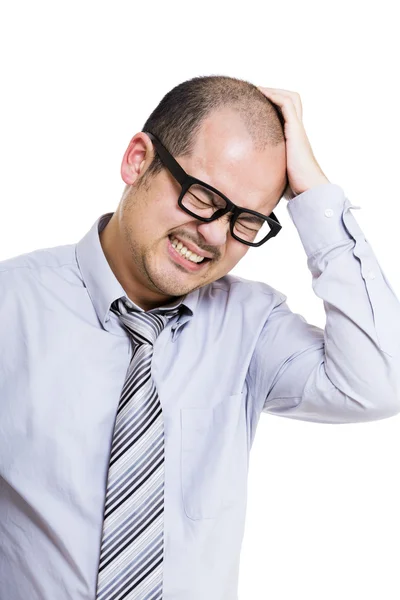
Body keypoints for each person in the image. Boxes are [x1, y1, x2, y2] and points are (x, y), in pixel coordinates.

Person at [1, 75, 399, 600]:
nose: (214, 234)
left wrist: (315, 196)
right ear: (138, 160)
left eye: (246, 221)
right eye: (202, 196)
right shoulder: (10, 305)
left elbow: (379, 382)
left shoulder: (251, 325)